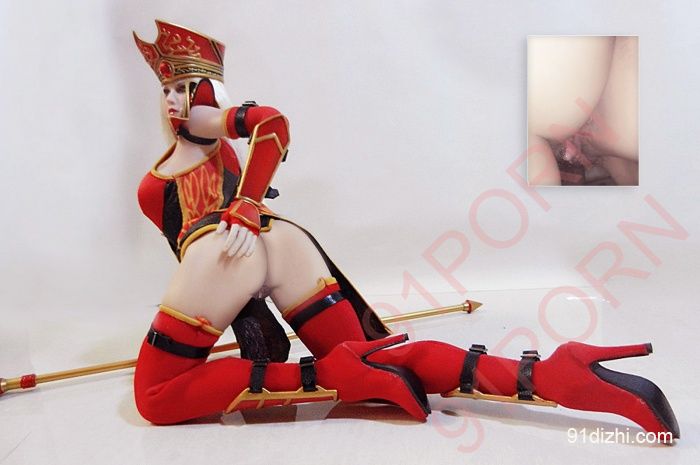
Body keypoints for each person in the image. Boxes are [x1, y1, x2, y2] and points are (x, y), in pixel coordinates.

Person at [131, 21, 679, 441]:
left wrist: (245, 206)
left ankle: (335, 378)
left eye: (185, 86)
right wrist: (250, 221)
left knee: (156, 395)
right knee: (381, 356)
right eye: (168, 90)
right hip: (283, 241)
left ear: (208, 91)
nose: (175, 100)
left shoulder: (189, 141)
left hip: (226, 249)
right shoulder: (215, 148)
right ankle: (549, 375)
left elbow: (271, 124)